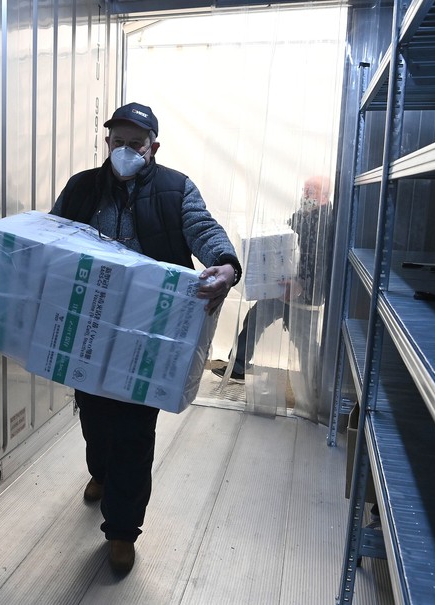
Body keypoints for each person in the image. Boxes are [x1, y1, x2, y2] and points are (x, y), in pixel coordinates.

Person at [51, 102, 241, 573]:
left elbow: (202, 228)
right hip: (91, 333)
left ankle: (121, 530)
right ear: (108, 142)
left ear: (153, 146)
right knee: (94, 417)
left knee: (135, 431)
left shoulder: (176, 189)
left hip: (148, 334)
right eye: (118, 141)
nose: (126, 150)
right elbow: (52, 236)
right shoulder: (82, 188)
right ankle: (100, 471)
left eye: (136, 143)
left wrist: (226, 263)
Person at [212, 175, 332, 382]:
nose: (305, 195)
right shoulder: (299, 216)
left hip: (306, 294)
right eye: (304, 190)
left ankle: (315, 381)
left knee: (303, 340)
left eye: (310, 191)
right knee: (255, 320)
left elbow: (323, 262)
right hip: (279, 288)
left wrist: (301, 285)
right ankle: (238, 366)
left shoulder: (328, 223)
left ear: (324, 195)